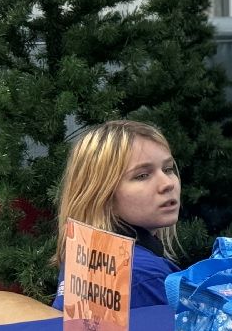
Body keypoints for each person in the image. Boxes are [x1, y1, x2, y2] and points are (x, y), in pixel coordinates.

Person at [52, 119, 182, 309]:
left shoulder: (84, 256)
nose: (168, 184)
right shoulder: (144, 275)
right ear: (102, 195)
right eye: (142, 175)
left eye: (168, 169)